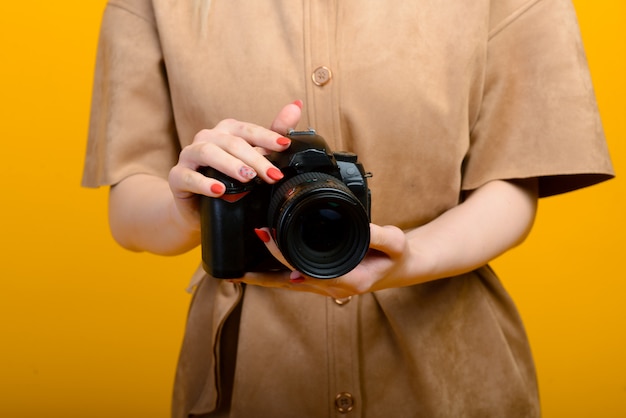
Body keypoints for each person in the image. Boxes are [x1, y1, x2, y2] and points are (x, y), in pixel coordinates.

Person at [82, 0, 614, 417]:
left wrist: (413, 257)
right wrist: (190, 206)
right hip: (249, 384)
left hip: (451, 376)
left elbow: (512, 184)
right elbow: (130, 199)